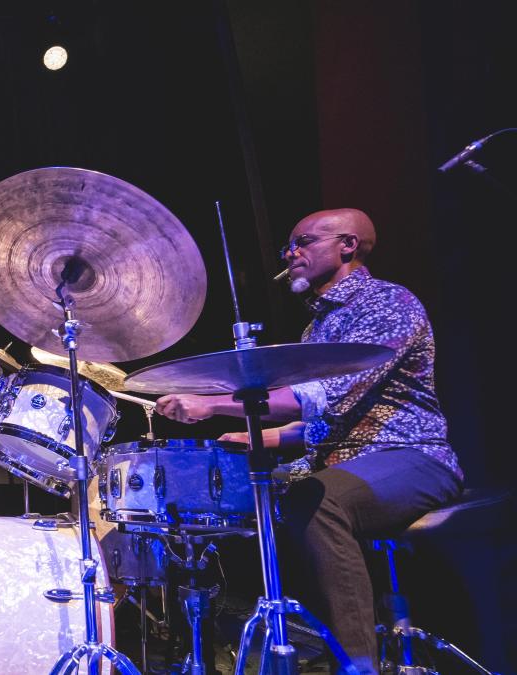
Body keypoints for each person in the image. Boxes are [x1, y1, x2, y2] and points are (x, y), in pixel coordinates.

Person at [155, 208, 463, 671]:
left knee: (315, 503)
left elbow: (316, 396)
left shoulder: (387, 304)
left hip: (412, 457)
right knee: (224, 503)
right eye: (288, 245)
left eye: (304, 242)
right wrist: (255, 436)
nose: (291, 252)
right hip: (338, 462)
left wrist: (211, 403)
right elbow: (320, 424)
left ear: (348, 245)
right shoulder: (317, 327)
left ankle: (357, 663)